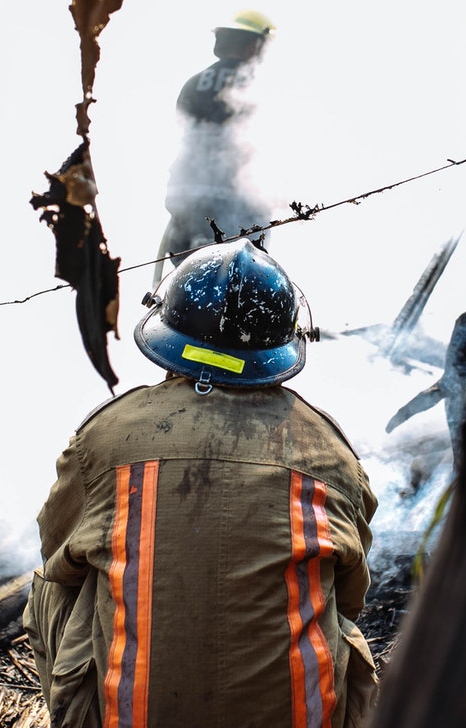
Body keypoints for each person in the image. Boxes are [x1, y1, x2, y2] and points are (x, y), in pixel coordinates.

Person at [23, 237, 380, 728]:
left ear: (169, 335)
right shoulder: (332, 453)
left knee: (57, 586)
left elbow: (55, 549)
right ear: (283, 344)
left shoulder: (106, 436)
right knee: (336, 613)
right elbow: (354, 590)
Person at [156, 9, 278, 286]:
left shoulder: (192, 84)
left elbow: (186, 137)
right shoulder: (258, 86)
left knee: (186, 286)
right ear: (254, 44)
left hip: (186, 199)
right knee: (240, 285)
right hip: (236, 205)